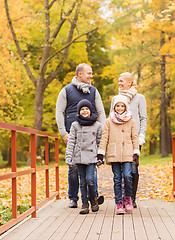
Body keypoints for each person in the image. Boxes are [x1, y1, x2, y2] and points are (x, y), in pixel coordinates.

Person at [56, 63, 106, 208]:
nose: (91, 76)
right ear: (80, 74)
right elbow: (59, 112)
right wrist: (64, 133)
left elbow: (101, 112)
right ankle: (73, 197)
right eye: (89, 73)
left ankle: (93, 196)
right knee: (74, 167)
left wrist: (103, 132)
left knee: (91, 164)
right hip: (73, 133)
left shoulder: (94, 91)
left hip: (91, 134)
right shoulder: (66, 90)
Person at [110, 72, 147, 208]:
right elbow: (111, 117)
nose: (119, 83)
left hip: (134, 140)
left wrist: (141, 135)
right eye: (118, 81)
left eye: (121, 81)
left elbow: (143, 118)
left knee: (132, 170)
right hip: (118, 140)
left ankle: (131, 197)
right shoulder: (115, 98)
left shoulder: (139, 98)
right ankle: (121, 199)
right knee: (119, 172)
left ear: (130, 83)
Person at [98, 95, 140, 215]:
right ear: (114, 107)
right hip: (114, 153)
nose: (120, 108)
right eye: (118, 106)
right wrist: (101, 152)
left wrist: (136, 151)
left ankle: (128, 199)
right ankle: (119, 203)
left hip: (128, 153)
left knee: (127, 176)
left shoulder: (131, 121)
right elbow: (104, 137)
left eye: (122, 106)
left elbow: (134, 137)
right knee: (117, 178)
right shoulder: (108, 121)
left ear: (126, 107)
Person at [65, 99, 102, 214]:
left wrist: (101, 157)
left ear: (91, 110)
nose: (85, 111)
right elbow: (71, 142)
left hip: (92, 157)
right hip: (79, 157)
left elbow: (100, 142)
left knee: (90, 180)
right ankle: (85, 203)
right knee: (82, 182)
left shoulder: (97, 125)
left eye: (86, 109)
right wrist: (69, 156)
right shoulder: (75, 125)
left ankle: (93, 199)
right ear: (79, 111)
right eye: (82, 109)